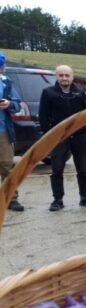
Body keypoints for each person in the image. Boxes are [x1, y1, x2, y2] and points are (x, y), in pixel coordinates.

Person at [39, 65, 86, 211]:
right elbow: (43, 117)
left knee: (82, 169)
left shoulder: (79, 92)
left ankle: (84, 197)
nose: (64, 78)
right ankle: (57, 200)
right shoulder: (48, 93)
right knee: (57, 170)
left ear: (72, 77)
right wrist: (50, 136)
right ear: (56, 77)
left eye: (67, 75)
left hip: (79, 137)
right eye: (61, 75)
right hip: (59, 138)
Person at [0, 52, 24, 212]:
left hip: (3, 132)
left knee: (7, 166)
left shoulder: (6, 83)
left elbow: (17, 105)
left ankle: (11, 199)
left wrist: (9, 104)